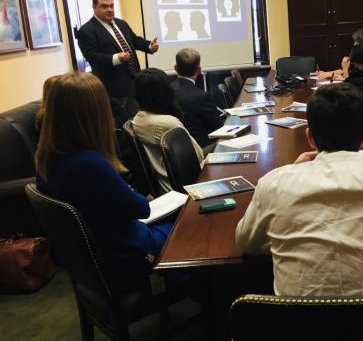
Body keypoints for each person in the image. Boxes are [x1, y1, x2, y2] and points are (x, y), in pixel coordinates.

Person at [236, 83, 363, 296]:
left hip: (300, 326)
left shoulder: (275, 183)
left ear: (310, 138)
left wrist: (292, 173)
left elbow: (247, 242)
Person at [35, 72, 174, 292]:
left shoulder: (46, 161)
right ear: (94, 114)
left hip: (93, 261)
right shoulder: (91, 165)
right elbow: (141, 208)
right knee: (189, 224)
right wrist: (127, 191)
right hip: (126, 253)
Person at [77, 0, 159, 114]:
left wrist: (149, 46)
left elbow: (134, 40)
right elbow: (92, 56)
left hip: (134, 81)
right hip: (112, 87)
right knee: (119, 124)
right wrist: (116, 58)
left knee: (136, 119)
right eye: (104, 6)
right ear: (94, 7)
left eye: (111, 6)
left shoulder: (121, 23)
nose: (109, 9)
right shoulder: (87, 30)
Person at [132, 68, 204, 194]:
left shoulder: (137, 119)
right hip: (189, 189)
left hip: (170, 190)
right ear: (166, 92)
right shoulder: (167, 123)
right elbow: (198, 157)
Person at [171, 48, 225, 147]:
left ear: (175, 68)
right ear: (199, 70)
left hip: (173, 149)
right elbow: (219, 129)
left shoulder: (166, 91)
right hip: (201, 149)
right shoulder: (202, 96)